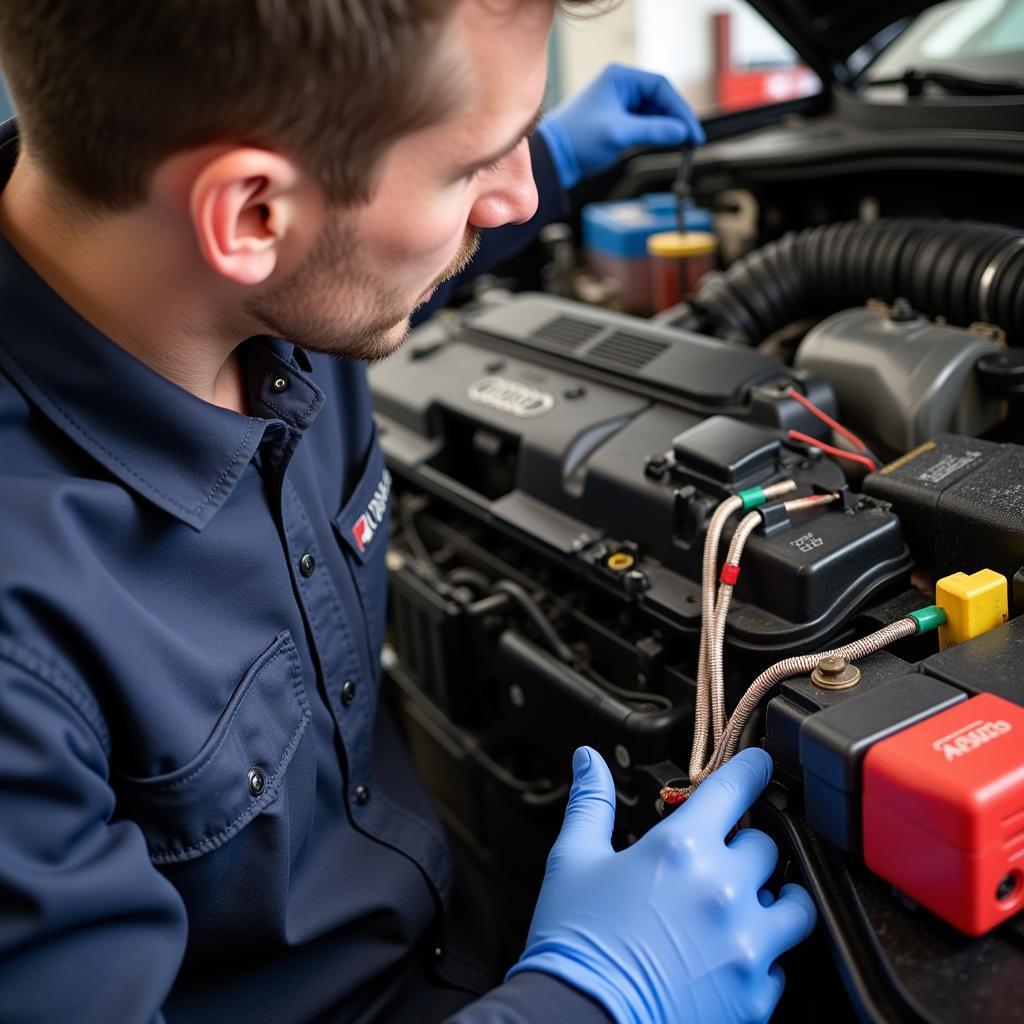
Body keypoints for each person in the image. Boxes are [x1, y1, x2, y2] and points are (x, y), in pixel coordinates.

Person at [0, 2, 816, 1022]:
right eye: (474, 168)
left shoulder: (224, 273)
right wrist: (592, 1000)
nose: (513, 200)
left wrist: (551, 152)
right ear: (251, 216)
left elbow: (349, 250)